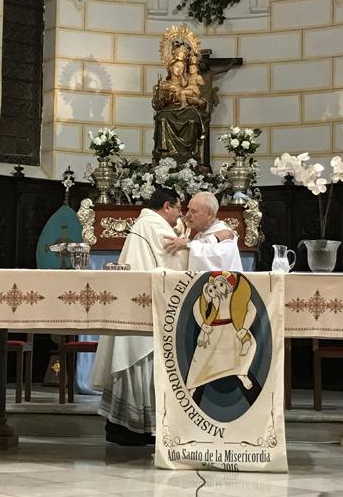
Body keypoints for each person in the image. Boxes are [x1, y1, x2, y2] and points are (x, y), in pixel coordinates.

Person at [90, 187, 188, 446]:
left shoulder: (143, 223)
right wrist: (194, 241)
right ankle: (135, 430)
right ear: (167, 206)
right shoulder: (158, 228)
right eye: (179, 208)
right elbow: (181, 265)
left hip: (132, 306)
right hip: (145, 309)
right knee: (142, 363)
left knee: (132, 364)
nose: (181, 214)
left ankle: (121, 427)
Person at [162, 191, 240, 271]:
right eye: (188, 209)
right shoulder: (200, 235)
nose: (187, 215)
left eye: (193, 211)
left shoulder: (225, 234)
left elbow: (216, 258)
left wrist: (187, 244)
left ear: (209, 214)